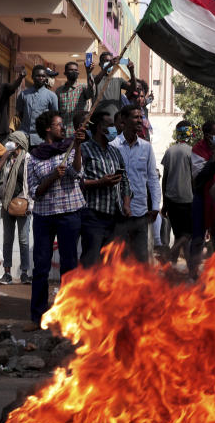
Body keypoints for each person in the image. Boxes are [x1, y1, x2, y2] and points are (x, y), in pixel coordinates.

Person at [27, 111, 85, 322]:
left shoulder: (69, 148)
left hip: (69, 214)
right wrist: (52, 177)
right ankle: (37, 316)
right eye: (59, 125)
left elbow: (77, 173)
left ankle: (69, 316)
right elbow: (34, 191)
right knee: (41, 266)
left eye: (63, 125)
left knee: (69, 266)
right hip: (44, 216)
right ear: (48, 129)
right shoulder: (34, 156)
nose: (63, 128)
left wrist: (78, 147)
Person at [80, 111, 131, 268]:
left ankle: (103, 293)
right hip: (93, 216)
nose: (114, 128)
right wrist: (99, 183)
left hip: (114, 216)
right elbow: (77, 182)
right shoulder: (84, 149)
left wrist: (126, 203)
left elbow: (125, 181)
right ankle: (84, 292)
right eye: (110, 125)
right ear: (100, 128)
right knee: (91, 261)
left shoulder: (114, 152)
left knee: (109, 264)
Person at [112, 105, 161, 263]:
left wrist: (155, 206)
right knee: (120, 261)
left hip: (140, 213)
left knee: (141, 262)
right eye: (136, 117)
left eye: (141, 117)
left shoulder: (146, 147)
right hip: (118, 213)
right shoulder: (113, 147)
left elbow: (153, 178)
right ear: (124, 120)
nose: (140, 120)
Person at [190, 121, 215, 271]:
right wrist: (214, 155)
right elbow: (200, 179)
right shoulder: (197, 150)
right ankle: (193, 272)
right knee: (197, 238)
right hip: (202, 199)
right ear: (207, 136)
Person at [0, 130, 32, 283]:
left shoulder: (29, 160)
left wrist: (31, 203)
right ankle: (7, 272)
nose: (8, 143)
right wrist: (4, 158)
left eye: (12, 140)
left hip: (23, 203)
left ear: (19, 143)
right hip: (7, 203)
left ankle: (24, 272)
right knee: (7, 240)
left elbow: (30, 184)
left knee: (24, 240)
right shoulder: (7, 158)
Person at [161, 121, 196, 272]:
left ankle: (172, 265)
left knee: (179, 234)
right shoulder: (192, 152)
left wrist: (165, 202)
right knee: (186, 236)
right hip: (188, 200)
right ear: (189, 133)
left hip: (171, 200)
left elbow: (165, 177)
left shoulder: (170, 151)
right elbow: (194, 179)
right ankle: (190, 270)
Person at [17, 65, 59, 146]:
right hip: (24, 138)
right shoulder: (24, 94)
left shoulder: (52, 96)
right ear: (32, 77)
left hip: (42, 139)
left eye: (43, 76)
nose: (40, 78)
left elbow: (54, 117)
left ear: (46, 78)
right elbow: (20, 114)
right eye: (38, 76)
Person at [55, 61, 94, 136]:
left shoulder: (83, 88)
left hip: (79, 133)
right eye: (71, 70)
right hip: (64, 134)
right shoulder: (59, 91)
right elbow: (57, 112)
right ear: (65, 73)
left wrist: (89, 73)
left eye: (76, 70)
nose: (74, 72)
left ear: (78, 73)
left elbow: (92, 92)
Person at [91, 53, 134, 118]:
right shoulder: (94, 78)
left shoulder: (119, 81)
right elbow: (95, 82)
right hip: (98, 122)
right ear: (100, 64)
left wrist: (132, 72)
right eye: (106, 61)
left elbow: (133, 88)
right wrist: (108, 66)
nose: (109, 63)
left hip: (114, 121)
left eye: (111, 61)